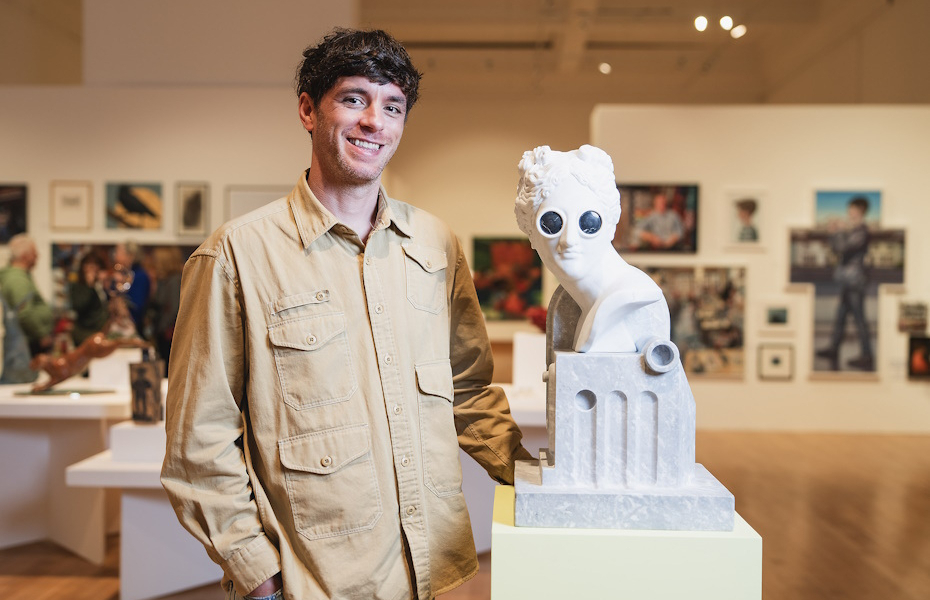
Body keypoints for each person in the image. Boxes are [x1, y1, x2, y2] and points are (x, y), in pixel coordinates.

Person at [160, 28, 533, 600]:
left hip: (427, 567)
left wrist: (534, 478)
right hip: (314, 578)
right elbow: (198, 438)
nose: (373, 122)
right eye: (354, 98)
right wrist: (255, 570)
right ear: (309, 110)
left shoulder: (435, 243)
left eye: (392, 107)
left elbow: (469, 388)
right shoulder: (235, 254)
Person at [515, 145, 670, 353]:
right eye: (552, 223)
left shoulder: (630, 296)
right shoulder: (580, 305)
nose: (569, 240)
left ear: (610, 226)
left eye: (588, 222)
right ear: (530, 232)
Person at [816, 196, 873, 371]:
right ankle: (834, 348)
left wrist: (838, 231)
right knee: (840, 316)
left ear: (859, 210)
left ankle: (867, 355)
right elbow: (837, 247)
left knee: (859, 319)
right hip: (848, 280)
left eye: (852, 209)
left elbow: (842, 248)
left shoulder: (861, 232)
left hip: (855, 281)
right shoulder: (854, 230)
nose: (849, 212)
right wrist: (835, 232)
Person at [0, 234, 53, 356]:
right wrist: (41, 335)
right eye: (34, 253)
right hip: (26, 345)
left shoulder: (20, 276)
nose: (37, 256)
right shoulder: (17, 280)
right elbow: (24, 313)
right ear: (24, 256)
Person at [147, 246, 184, 367]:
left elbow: (174, 308)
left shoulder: (174, 281)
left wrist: (162, 328)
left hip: (169, 334)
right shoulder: (165, 280)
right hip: (165, 332)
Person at [69, 253, 110, 346]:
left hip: (101, 332)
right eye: (88, 265)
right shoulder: (78, 286)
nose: (91, 269)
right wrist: (89, 286)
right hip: (85, 333)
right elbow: (80, 305)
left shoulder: (100, 286)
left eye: (95, 265)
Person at [113, 241, 151, 334]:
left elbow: (137, 304)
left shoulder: (140, 276)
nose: (115, 256)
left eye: (118, 252)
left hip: (134, 324)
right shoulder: (122, 273)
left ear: (130, 256)